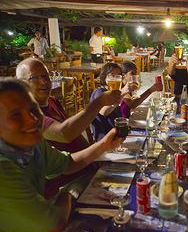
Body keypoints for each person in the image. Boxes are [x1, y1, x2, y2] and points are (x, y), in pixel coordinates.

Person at [0, 78, 125, 232]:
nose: (32, 119)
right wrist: (69, 193)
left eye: (33, 109)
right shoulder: (3, 171)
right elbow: (55, 225)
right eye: (16, 115)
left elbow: (68, 164)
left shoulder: (34, 145)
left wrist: (105, 145)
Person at [16, 58, 124, 198]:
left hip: (84, 168)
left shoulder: (52, 101)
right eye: (34, 77)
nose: (44, 81)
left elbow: (74, 135)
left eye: (46, 76)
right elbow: (63, 133)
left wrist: (95, 157)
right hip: (65, 186)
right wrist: (99, 102)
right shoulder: (27, 114)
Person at [90, 61, 162, 141]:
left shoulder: (115, 92)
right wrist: (123, 92)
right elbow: (103, 112)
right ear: (104, 77)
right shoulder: (100, 92)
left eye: (118, 76)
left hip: (118, 136)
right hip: (105, 142)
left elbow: (131, 104)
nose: (115, 78)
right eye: (112, 75)